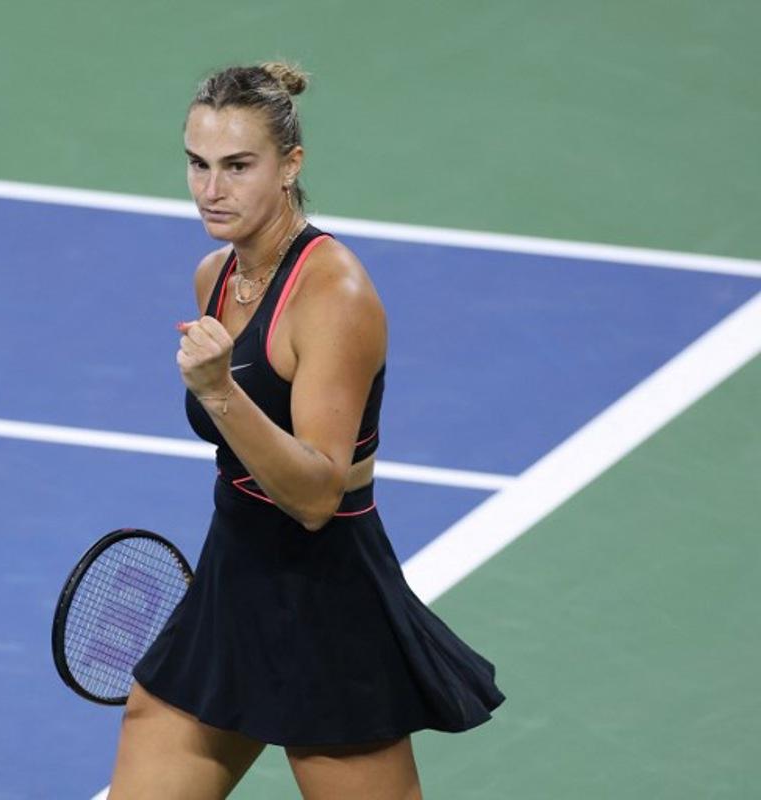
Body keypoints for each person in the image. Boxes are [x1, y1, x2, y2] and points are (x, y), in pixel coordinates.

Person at [109, 62, 504, 799]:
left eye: (237, 167)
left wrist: (220, 392)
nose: (210, 189)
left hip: (327, 602)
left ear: (291, 166)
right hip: (235, 577)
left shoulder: (335, 295)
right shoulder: (214, 276)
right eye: (197, 164)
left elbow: (317, 494)